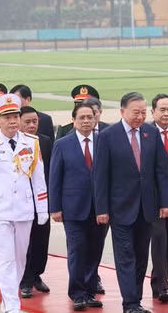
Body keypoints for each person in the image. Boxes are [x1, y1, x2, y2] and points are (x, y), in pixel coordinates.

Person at [94, 91, 168, 313]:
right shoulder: (108, 136)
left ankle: (135, 300)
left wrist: (165, 202)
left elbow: (161, 172)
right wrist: (102, 209)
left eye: (143, 112)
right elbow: (100, 176)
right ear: (122, 111)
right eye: (135, 112)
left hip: (147, 209)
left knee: (141, 257)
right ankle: (130, 303)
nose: (140, 117)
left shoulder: (150, 133)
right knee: (125, 256)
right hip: (120, 209)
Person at [0, 93, 48, 313]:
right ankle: (12, 307)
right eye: (7, 117)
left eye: (15, 115)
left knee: (20, 259)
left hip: (24, 209)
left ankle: (8, 301)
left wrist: (42, 207)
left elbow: (38, 178)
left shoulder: (32, 143)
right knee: (5, 260)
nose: (13, 120)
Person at [50, 102, 106, 311]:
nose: (85, 121)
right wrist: (55, 207)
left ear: (95, 119)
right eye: (81, 118)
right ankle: (77, 293)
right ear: (73, 120)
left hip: (99, 209)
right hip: (73, 209)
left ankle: (90, 291)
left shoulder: (103, 141)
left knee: (95, 250)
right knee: (77, 250)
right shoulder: (63, 144)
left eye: (89, 117)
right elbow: (55, 178)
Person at [17, 106, 53, 298]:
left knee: (41, 240)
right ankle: (25, 280)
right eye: (27, 122)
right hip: (20, 202)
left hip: (42, 201)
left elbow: (51, 172)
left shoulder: (45, 142)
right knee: (25, 242)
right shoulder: (13, 143)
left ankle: (36, 274)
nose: (32, 126)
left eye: (35, 122)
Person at [149, 93, 168, 304]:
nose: (166, 113)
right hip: (155, 200)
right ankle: (162, 286)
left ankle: (160, 281)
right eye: (162, 109)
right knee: (158, 241)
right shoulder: (145, 133)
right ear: (153, 112)